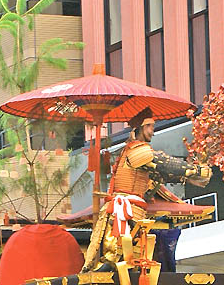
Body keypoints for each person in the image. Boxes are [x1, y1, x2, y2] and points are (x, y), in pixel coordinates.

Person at [82, 107, 211, 271]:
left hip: (130, 211)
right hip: (125, 212)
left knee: (129, 260)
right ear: (141, 127)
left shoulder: (131, 150)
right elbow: (162, 163)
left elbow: (161, 174)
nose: (153, 131)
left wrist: (191, 178)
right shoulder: (138, 150)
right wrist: (196, 171)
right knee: (118, 257)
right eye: (150, 127)